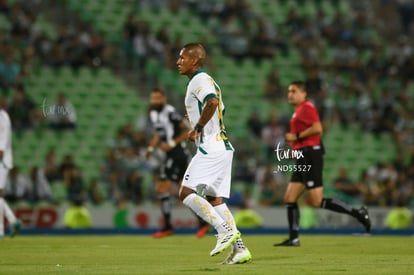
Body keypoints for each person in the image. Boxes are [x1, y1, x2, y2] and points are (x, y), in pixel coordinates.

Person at [176, 43, 252, 264]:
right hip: (223, 147)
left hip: (210, 147)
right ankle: (240, 249)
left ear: (195, 60)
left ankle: (223, 230)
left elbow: (212, 102)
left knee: (185, 192)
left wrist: (197, 127)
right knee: (215, 199)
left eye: (182, 58)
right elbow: (220, 108)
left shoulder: (199, 80)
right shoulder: (210, 81)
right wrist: (194, 116)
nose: (178, 62)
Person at [274, 81, 371, 247]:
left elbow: (318, 128)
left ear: (304, 94)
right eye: (289, 91)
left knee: (317, 201)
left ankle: (358, 213)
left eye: (294, 91)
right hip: (302, 155)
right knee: (290, 197)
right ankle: (294, 238)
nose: (290, 94)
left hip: (311, 154)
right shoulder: (297, 112)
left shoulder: (307, 107)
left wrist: (296, 137)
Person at [145, 88, 209, 238]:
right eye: (153, 98)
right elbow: (158, 134)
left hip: (177, 154)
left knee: (162, 188)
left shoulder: (170, 112)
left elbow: (186, 128)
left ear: (164, 99)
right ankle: (203, 221)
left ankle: (167, 226)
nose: (155, 101)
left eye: (158, 98)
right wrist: (150, 148)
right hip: (171, 155)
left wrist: (172, 143)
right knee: (184, 193)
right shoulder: (154, 114)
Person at [0, 108, 21, 238]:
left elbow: (2, 146)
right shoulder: (4, 115)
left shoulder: (2, 117)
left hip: (2, 161)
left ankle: (2, 230)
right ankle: (12, 221)